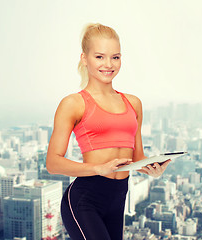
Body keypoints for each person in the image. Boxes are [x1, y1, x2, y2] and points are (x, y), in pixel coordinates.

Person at [46, 23, 171, 240]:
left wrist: (152, 168)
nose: (108, 64)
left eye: (115, 57)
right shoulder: (73, 103)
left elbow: (136, 158)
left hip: (118, 198)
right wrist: (99, 168)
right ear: (84, 58)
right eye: (99, 57)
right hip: (84, 199)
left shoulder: (133, 103)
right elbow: (53, 163)